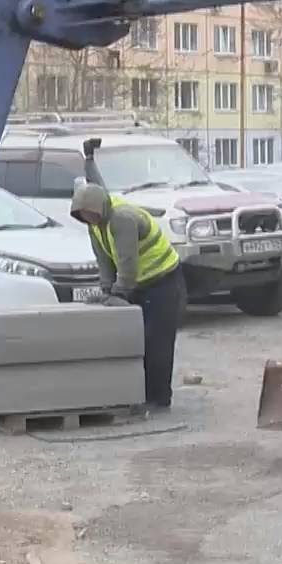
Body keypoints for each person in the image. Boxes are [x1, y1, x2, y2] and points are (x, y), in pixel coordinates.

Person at [72, 139, 185, 408]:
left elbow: (127, 263)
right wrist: (106, 290)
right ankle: (138, 394)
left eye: (89, 214)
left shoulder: (121, 218)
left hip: (164, 282)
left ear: (98, 208)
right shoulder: (97, 219)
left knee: (157, 342)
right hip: (142, 285)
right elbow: (104, 259)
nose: (87, 219)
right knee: (136, 342)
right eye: (82, 215)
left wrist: (120, 293)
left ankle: (159, 399)